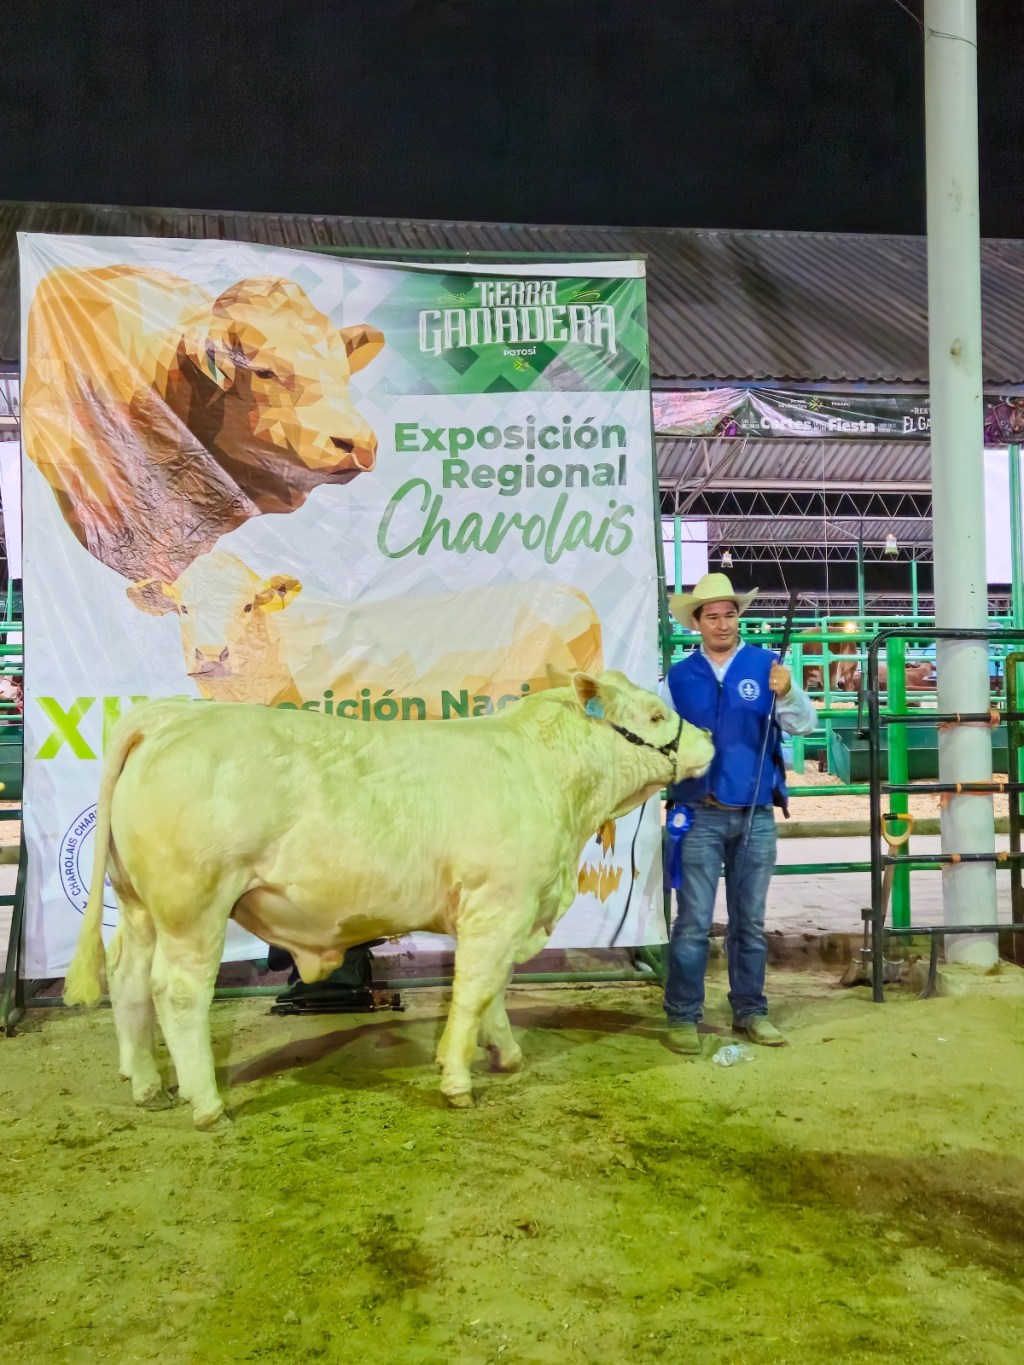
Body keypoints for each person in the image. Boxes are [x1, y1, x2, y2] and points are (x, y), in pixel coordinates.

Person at [662, 573, 817, 1053]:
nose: (723, 623)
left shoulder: (768, 667)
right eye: (713, 616)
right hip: (698, 813)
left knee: (749, 923)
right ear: (697, 623)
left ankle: (750, 1011)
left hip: (755, 815)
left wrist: (788, 692)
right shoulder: (676, 679)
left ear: (738, 618)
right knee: (692, 923)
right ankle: (683, 1015)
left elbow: (803, 724)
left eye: (730, 614)